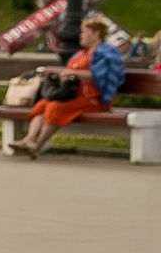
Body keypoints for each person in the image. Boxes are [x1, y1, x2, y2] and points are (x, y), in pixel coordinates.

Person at [15, 13, 128, 157]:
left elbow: (97, 77)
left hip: (94, 99)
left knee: (55, 106)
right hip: (74, 95)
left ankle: (37, 146)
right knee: (43, 104)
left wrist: (73, 74)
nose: (80, 36)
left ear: (96, 33)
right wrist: (52, 71)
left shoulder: (106, 54)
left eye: (84, 33)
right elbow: (70, 71)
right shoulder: (81, 54)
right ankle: (28, 140)